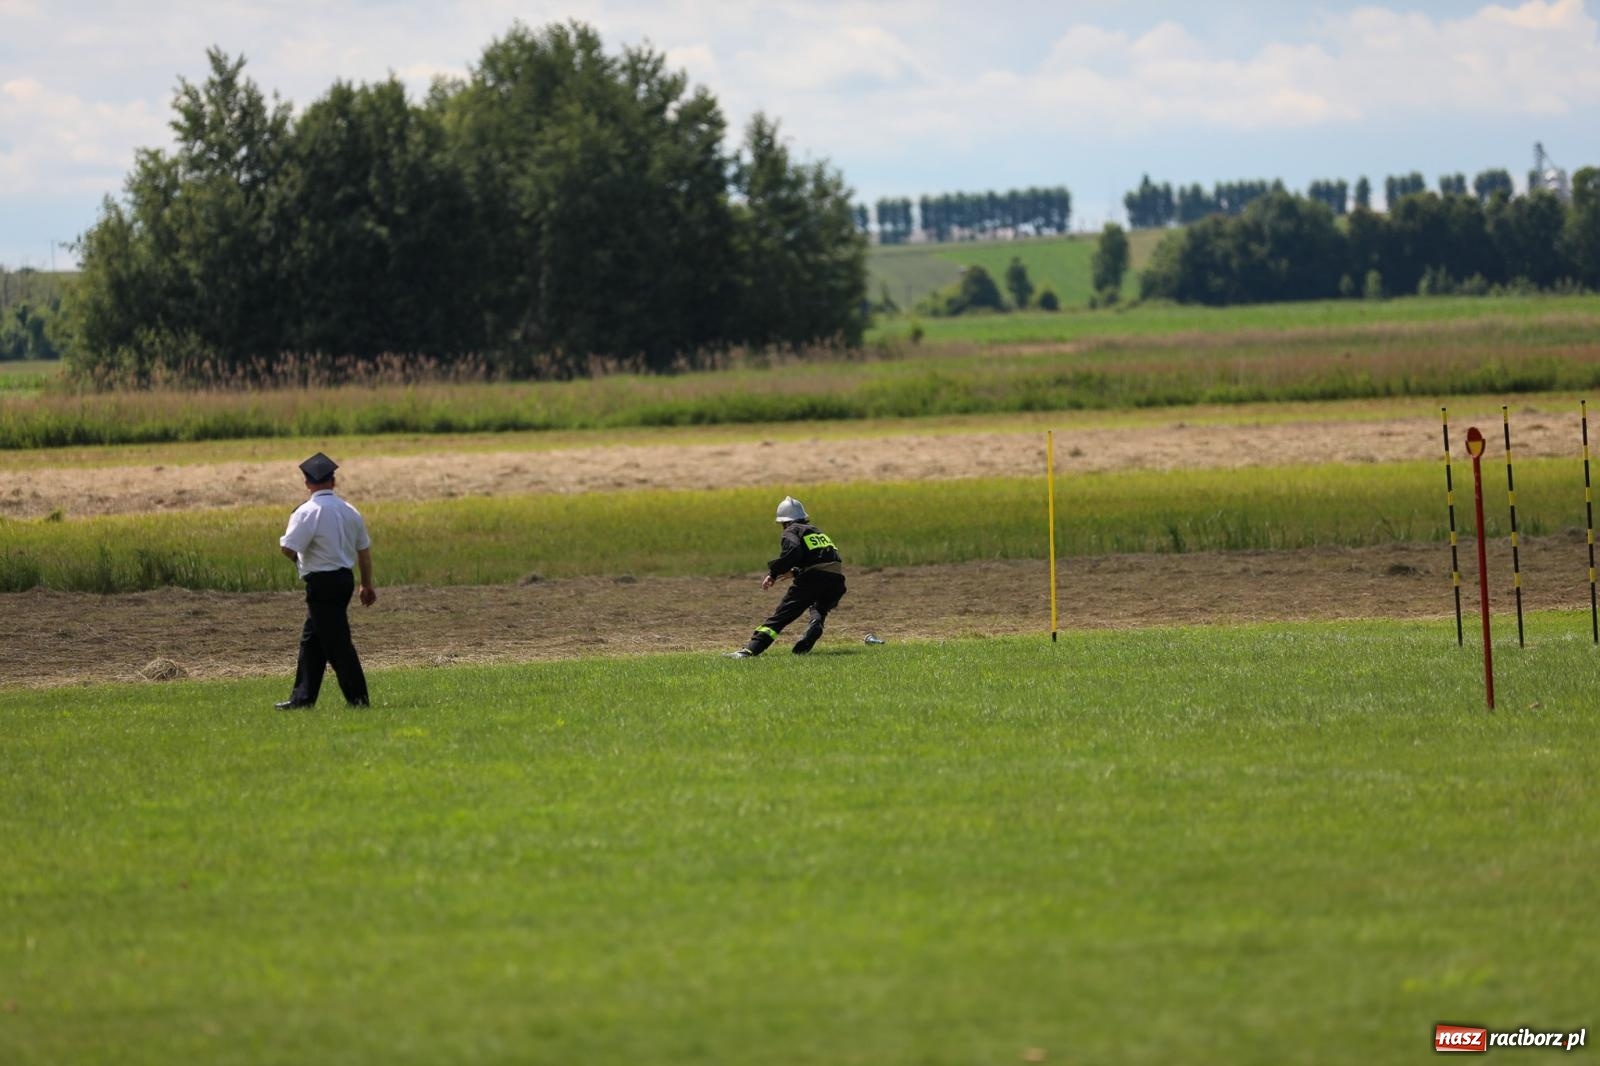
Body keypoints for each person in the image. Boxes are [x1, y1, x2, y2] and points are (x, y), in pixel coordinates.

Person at [275, 452, 375, 708]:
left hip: (321, 583)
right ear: (333, 481)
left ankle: (358, 699)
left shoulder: (307, 512)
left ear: (307, 483)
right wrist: (366, 584)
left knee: (337, 643)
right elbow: (363, 551)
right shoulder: (350, 511)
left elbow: (288, 548)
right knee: (312, 641)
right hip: (344, 580)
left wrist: (300, 562)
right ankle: (302, 698)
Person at [729, 496, 846, 657]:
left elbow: (793, 552)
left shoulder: (791, 531)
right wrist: (796, 572)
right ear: (803, 516)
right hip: (836, 581)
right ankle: (816, 623)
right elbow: (825, 559)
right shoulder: (817, 532)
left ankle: (750, 650)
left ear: (784, 522)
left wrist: (773, 573)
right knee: (818, 607)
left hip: (813, 579)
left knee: (782, 615)